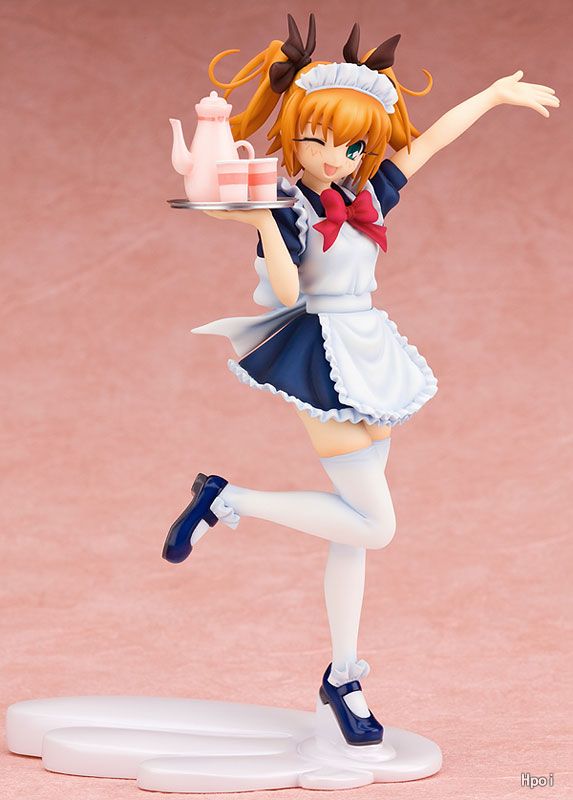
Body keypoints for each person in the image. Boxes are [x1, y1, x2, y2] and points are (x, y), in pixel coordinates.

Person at [163, 15, 559, 746]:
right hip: (321, 353)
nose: (336, 158)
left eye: (352, 146)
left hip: (370, 343)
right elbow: (287, 293)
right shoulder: (289, 205)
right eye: (321, 141)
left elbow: (429, 142)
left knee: (349, 530)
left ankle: (342, 676)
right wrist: (262, 223)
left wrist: (493, 96)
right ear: (296, 136)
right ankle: (227, 500)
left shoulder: (371, 190)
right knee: (376, 526)